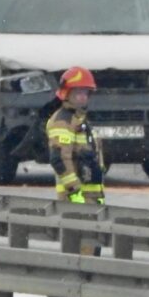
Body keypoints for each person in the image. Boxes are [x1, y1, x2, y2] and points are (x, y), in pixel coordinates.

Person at [47, 67, 105, 254]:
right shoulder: (62, 121)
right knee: (81, 248)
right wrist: (75, 191)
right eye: (77, 92)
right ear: (66, 93)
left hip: (92, 196)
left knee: (91, 246)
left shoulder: (80, 120)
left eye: (85, 92)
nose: (82, 97)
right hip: (78, 196)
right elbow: (59, 158)